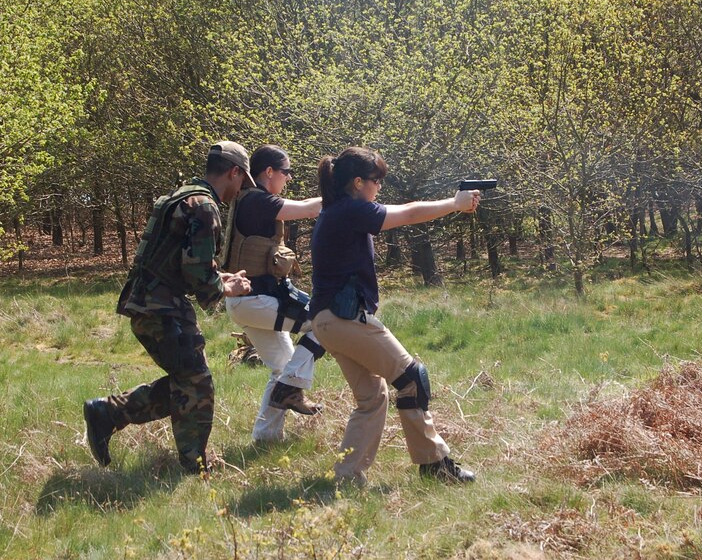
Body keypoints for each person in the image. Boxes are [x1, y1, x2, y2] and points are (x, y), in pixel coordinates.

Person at [309, 146, 479, 485]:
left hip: (328, 321)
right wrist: (453, 204)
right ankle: (434, 464)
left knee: (372, 398)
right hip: (343, 319)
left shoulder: (337, 211)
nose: (379, 189)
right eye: (376, 181)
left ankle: (346, 476)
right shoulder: (350, 210)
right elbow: (410, 213)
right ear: (358, 182)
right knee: (411, 378)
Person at [83, 141, 254, 474]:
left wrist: (217, 276)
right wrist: (225, 287)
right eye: (242, 182)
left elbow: (181, 261)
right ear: (234, 172)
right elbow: (195, 272)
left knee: (185, 379)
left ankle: (108, 413)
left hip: (147, 303)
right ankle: (195, 466)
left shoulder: (179, 197)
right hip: (163, 309)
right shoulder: (205, 206)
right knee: (196, 384)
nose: (239, 190)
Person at [222, 144, 326, 443]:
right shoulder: (258, 200)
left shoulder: (250, 200)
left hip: (248, 302)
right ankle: (290, 390)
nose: (288, 179)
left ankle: (266, 437)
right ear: (269, 172)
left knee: (283, 366)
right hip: (255, 300)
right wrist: (346, 195)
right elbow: (309, 208)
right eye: (286, 172)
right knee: (327, 319)